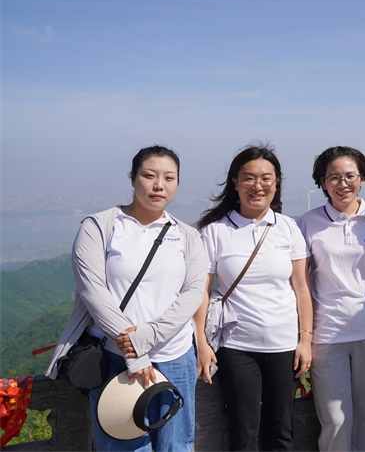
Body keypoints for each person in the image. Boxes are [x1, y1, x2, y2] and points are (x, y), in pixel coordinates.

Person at [46, 145, 208, 451]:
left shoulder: (188, 236)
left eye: (169, 178)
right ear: (133, 178)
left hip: (175, 357)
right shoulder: (100, 226)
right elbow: (93, 291)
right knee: (122, 445)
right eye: (149, 175)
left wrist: (145, 338)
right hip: (115, 358)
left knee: (176, 445)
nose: (159, 185)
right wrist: (134, 351)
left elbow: (192, 294)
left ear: (177, 183)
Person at [194, 142, 313, 451]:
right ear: (235, 183)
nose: (257, 186)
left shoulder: (288, 228)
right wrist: (202, 343)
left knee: (281, 431)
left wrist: (305, 340)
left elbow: (301, 288)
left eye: (265, 178)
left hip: (283, 345)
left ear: (276, 183)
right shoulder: (216, 231)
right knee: (243, 431)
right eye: (248, 178)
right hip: (236, 347)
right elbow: (201, 292)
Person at [298, 146, 365, 451]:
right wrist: (303, 336)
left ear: (362, 178)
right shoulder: (309, 221)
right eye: (334, 177)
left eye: (350, 176)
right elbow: (299, 283)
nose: (343, 184)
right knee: (335, 421)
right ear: (322, 182)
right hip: (326, 336)